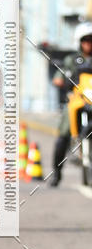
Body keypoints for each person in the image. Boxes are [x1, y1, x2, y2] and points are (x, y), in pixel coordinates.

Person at [50, 22, 92, 186]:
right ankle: (56, 173)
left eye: (91, 39)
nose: (89, 43)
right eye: (85, 40)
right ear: (79, 42)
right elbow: (59, 77)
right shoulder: (72, 60)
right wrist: (60, 81)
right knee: (63, 134)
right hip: (77, 100)